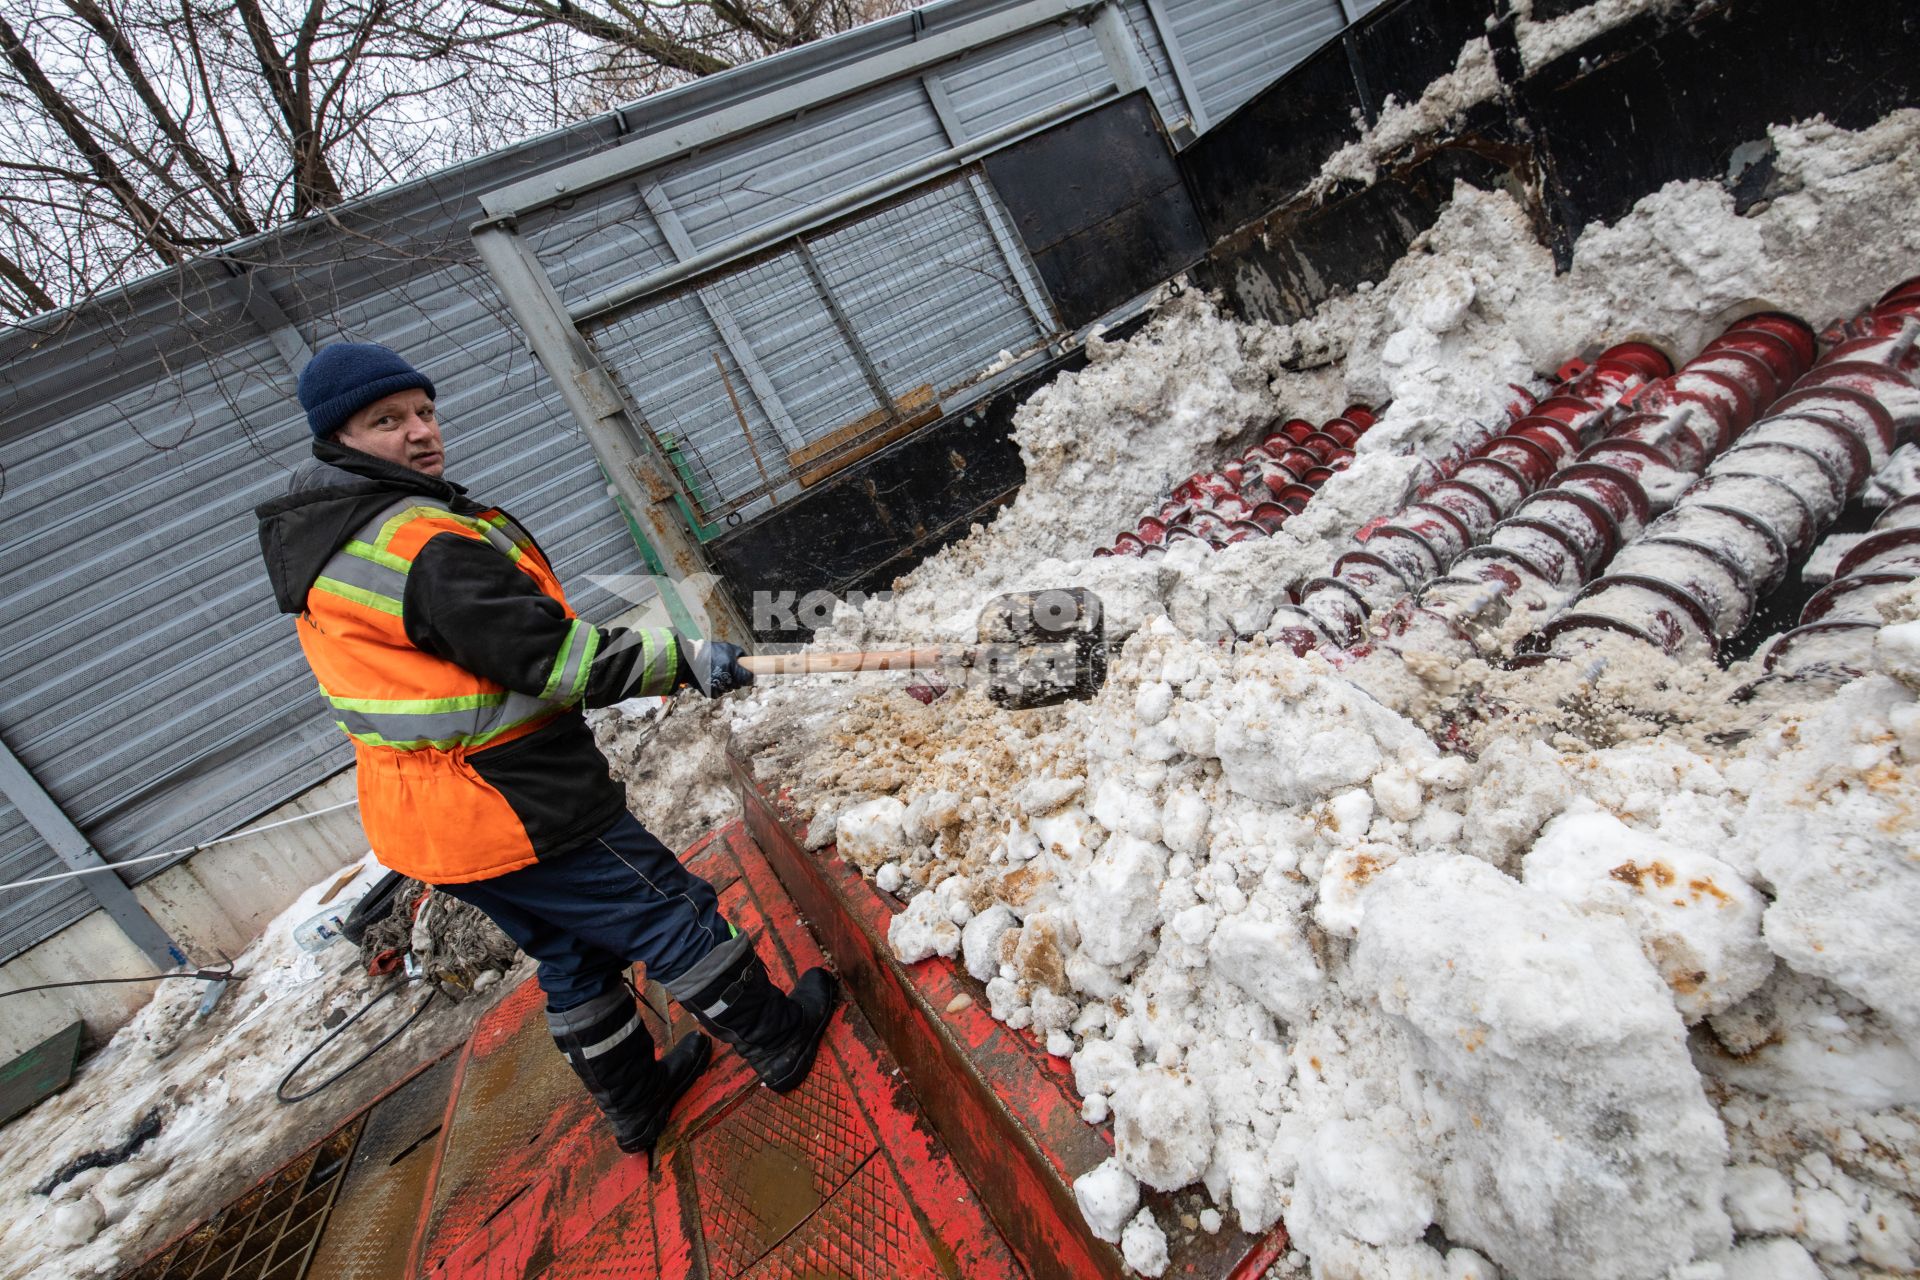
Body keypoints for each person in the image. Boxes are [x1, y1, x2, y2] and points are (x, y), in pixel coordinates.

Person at [255, 342, 836, 1155]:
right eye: (387, 421)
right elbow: (554, 660)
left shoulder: (324, 545)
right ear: (338, 438)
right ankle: (779, 1038)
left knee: (573, 956)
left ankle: (635, 1104)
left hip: (429, 821)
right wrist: (683, 659)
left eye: (424, 410)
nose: (420, 433)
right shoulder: (415, 543)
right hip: (516, 801)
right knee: (666, 915)